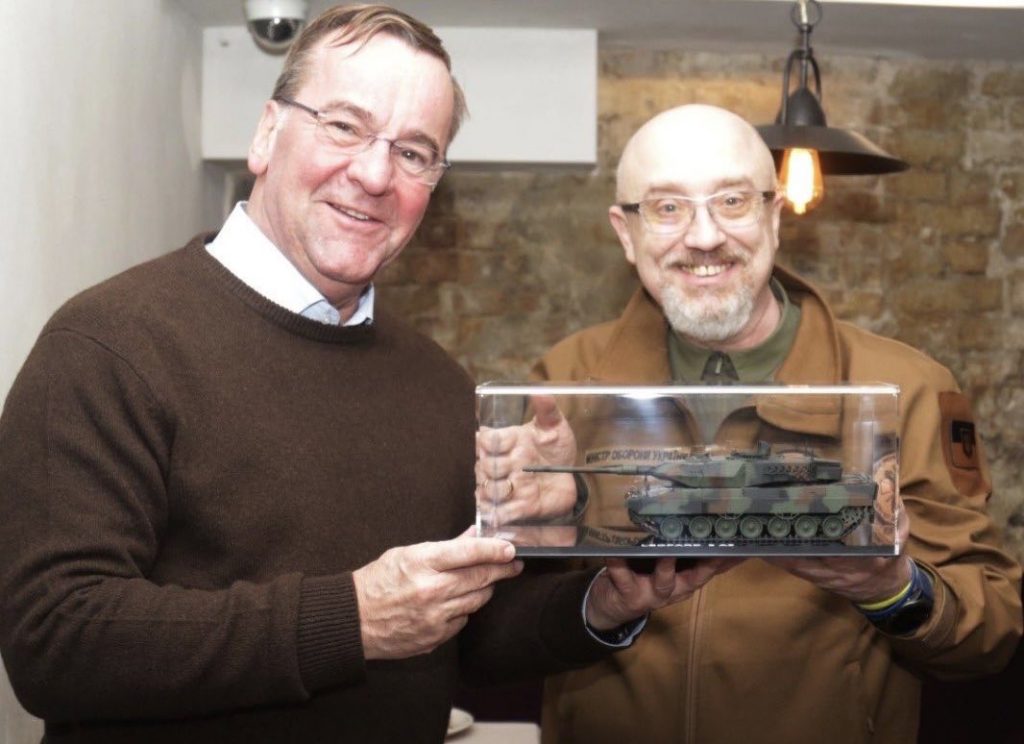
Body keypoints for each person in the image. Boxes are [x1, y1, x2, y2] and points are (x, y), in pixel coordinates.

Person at [0, 7, 713, 742]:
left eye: (414, 153)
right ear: (266, 134)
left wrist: (602, 603)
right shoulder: (110, 343)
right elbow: (54, 638)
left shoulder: (438, 385)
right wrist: (352, 620)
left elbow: (464, 636)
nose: (374, 175)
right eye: (343, 126)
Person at [483, 104, 1022, 743]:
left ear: (774, 215)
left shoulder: (908, 388)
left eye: (732, 201)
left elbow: (990, 630)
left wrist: (891, 588)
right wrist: (540, 528)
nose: (704, 236)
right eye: (667, 207)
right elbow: (498, 630)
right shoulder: (567, 383)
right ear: (626, 233)